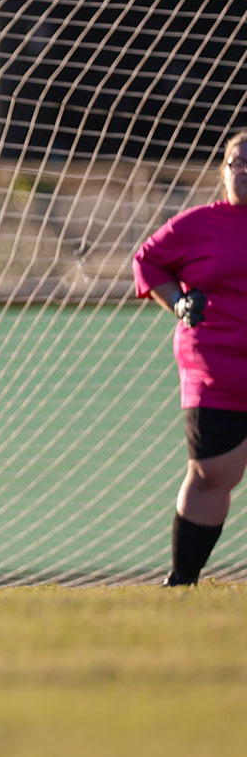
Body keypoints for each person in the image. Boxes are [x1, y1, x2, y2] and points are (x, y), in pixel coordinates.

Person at [134, 129, 247, 586]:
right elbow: (147, 261)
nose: (243, 171)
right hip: (215, 370)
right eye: (235, 163)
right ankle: (183, 581)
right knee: (210, 476)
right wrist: (177, 303)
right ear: (222, 173)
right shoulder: (196, 225)